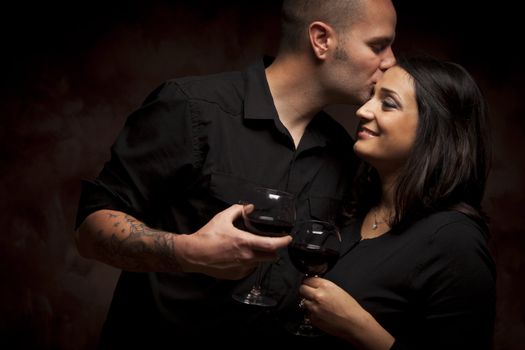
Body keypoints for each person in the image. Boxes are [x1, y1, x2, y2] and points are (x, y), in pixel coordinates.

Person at [74, 0, 397, 346]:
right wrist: (188, 252)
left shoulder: (345, 152)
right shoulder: (192, 108)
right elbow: (90, 230)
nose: (391, 60)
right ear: (321, 39)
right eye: (378, 45)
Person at [298, 56, 496, 349]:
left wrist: (359, 328)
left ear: (433, 129)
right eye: (371, 97)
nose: (363, 110)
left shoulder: (455, 241)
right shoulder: (353, 205)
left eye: (388, 103)